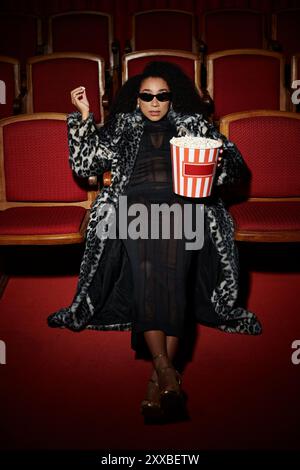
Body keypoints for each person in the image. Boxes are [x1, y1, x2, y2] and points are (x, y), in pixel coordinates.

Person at [47, 61, 261, 422]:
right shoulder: (122, 127)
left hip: (183, 207)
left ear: (171, 97)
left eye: (162, 95)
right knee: (147, 270)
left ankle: (157, 380)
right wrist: (84, 116)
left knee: (173, 280)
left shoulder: (194, 125)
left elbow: (237, 168)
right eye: (147, 96)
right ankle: (166, 375)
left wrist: (220, 160)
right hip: (135, 207)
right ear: (137, 99)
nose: (155, 102)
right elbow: (86, 165)